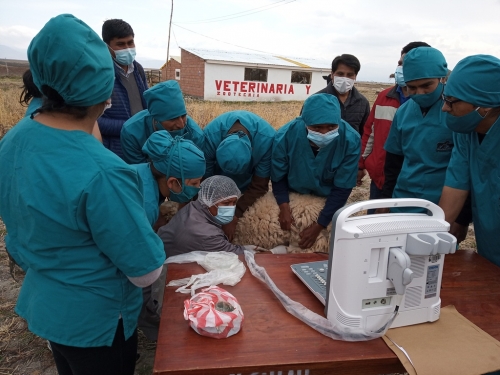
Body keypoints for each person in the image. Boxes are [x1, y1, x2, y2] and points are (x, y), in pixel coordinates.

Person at [0, 14, 165, 374]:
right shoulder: (104, 172)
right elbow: (145, 271)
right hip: (98, 324)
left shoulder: (12, 142)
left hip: (48, 308)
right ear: (105, 90)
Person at [133, 130, 205, 341]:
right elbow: (134, 259)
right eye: (193, 183)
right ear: (173, 182)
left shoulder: (141, 173)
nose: (198, 188)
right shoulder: (144, 206)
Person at [271, 94, 360, 249]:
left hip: (328, 199)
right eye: (317, 127)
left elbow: (343, 186)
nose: (324, 133)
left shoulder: (350, 140)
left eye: (331, 127)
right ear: (305, 122)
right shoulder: (285, 136)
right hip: (293, 195)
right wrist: (284, 207)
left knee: (324, 243)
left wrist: (320, 224)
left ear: (338, 121)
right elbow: (278, 175)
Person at [439, 55, 500, 267]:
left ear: (486, 107)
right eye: (444, 98)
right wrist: (431, 238)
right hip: (489, 244)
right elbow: (455, 185)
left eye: (452, 101)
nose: (445, 108)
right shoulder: (465, 131)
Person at [357, 42, 430, 213]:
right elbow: (370, 132)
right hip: (380, 179)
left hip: (413, 184)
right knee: (374, 228)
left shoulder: (429, 103)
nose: (401, 67)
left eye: (407, 64)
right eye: (400, 63)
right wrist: (361, 165)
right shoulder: (384, 96)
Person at [202, 110, 276, 240]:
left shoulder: (268, 141)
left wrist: (235, 215)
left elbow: (259, 185)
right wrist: (215, 211)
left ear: (252, 151)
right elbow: (205, 180)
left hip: (246, 185)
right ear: (218, 147)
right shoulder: (209, 137)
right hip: (216, 182)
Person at [158, 175, 246, 257]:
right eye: (226, 203)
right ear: (208, 200)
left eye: (234, 203)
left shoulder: (193, 207)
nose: (231, 208)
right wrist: (253, 249)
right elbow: (237, 254)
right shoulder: (206, 234)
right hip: (165, 267)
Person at [120, 80, 204, 164]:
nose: (181, 125)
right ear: (156, 119)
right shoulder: (131, 133)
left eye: (183, 116)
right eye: (172, 119)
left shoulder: (195, 135)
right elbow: (137, 171)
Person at [98, 19, 148, 158]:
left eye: (130, 43)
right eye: (120, 44)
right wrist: (129, 126)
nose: (127, 48)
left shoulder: (138, 70)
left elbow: (146, 106)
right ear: (107, 46)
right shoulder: (101, 74)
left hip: (140, 146)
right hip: (114, 151)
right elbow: (93, 120)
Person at [315, 54, 370, 137]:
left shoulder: (363, 103)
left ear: (355, 76)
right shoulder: (316, 100)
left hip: (352, 149)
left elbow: (365, 133)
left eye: (350, 75)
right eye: (340, 74)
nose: (345, 78)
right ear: (332, 74)